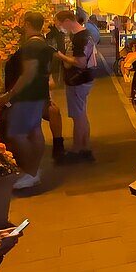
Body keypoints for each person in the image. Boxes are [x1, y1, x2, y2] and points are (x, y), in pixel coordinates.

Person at [0, 11, 53, 189]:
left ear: (27, 24)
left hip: (26, 96)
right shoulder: (44, 45)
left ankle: (30, 171)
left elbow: (28, 73)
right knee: (34, 131)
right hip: (38, 94)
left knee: (17, 134)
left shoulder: (31, 47)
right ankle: (33, 170)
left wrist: (8, 95)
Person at [54, 9, 96, 163]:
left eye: (59, 24)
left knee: (78, 116)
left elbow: (80, 62)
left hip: (78, 80)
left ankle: (77, 149)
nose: (60, 28)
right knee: (82, 114)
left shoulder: (79, 37)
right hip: (85, 79)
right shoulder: (85, 34)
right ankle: (85, 148)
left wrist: (61, 56)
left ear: (66, 21)